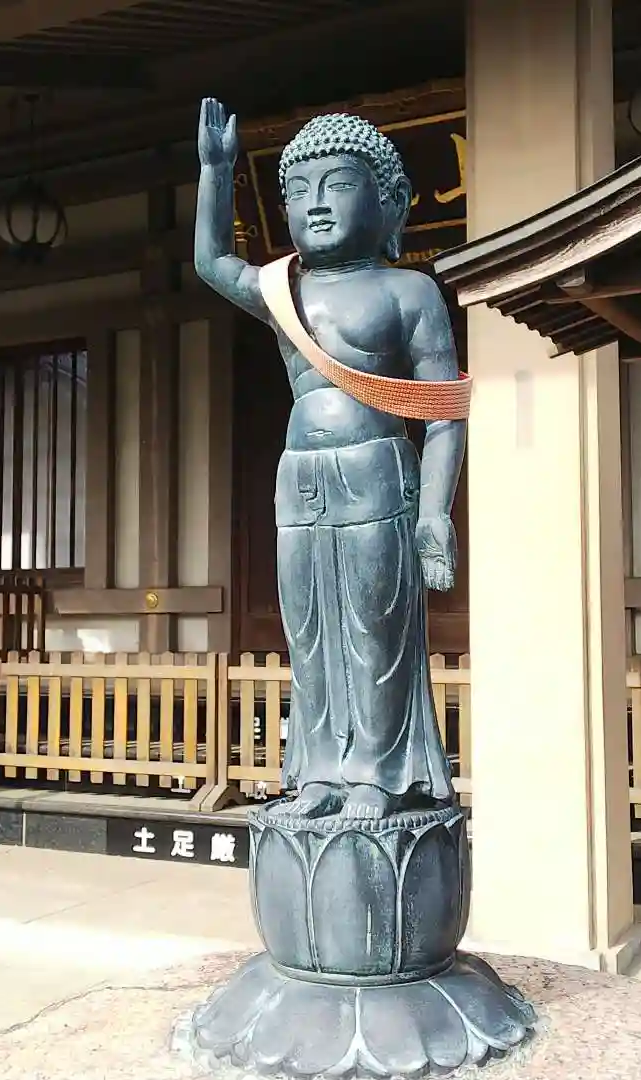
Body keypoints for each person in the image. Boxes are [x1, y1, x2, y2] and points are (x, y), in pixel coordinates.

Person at [192, 98, 465, 819]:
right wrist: (217, 172)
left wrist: (435, 513)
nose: (315, 203)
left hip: (377, 470)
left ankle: (378, 773)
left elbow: (443, 412)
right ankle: (319, 773)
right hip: (300, 476)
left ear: (386, 200)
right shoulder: (285, 290)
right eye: (299, 190)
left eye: (338, 185)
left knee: (377, 630)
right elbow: (212, 263)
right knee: (309, 633)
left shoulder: (409, 290)